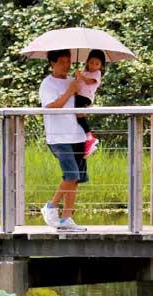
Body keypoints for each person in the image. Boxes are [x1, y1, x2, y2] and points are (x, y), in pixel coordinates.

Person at [39, 50, 87, 232]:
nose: (66, 65)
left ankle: (66, 218)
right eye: (62, 62)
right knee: (71, 175)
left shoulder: (72, 81)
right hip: (59, 136)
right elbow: (52, 107)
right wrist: (70, 91)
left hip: (77, 134)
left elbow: (81, 104)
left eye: (68, 61)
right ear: (52, 63)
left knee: (75, 180)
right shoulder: (47, 84)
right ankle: (51, 206)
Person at [74, 50, 105, 158]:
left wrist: (80, 75)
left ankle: (89, 135)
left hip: (86, 98)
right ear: (87, 62)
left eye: (97, 64)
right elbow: (79, 84)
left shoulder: (97, 73)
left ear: (101, 66)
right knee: (78, 116)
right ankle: (86, 137)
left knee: (79, 114)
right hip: (78, 96)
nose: (93, 65)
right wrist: (77, 78)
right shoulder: (84, 72)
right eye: (91, 62)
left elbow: (89, 82)